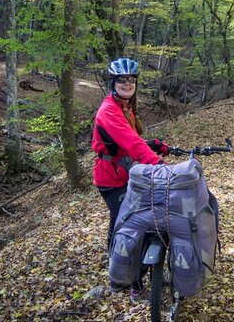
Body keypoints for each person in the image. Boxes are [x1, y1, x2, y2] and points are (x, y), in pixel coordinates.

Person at [91, 57, 168, 303]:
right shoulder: (109, 110)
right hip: (111, 178)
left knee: (118, 221)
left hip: (122, 174)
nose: (127, 83)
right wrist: (159, 164)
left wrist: (155, 145)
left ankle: (114, 261)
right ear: (112, 83)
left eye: (131, 79)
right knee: (136, 226)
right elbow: (131, 143)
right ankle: (132, 285)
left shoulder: (125, 106)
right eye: (121, 79)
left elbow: (129, 139)